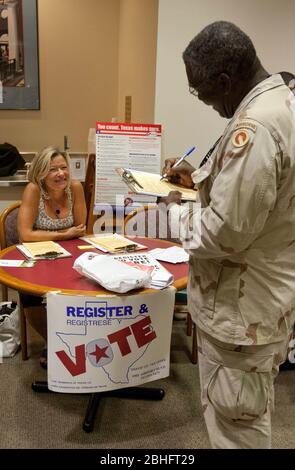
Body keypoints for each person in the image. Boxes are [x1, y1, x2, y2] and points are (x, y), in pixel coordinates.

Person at [161, 21, 295, 448]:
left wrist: (173, 211)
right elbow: (260, 197)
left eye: (201, 92)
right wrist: (198, 179)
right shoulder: (282, 102)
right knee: (243, 415)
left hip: (241, 310)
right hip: (263, 299)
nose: (203, 101)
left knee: (236, 431)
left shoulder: (254, 129)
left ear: (225, 80)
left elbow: (225, 232)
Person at [17, 146, 87, 368]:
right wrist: (63, 234)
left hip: (70, 254)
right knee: (29, 292)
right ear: (40, 173)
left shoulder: (75, 188)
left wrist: (67, 235)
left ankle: (77, 336)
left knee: (85, 283)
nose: (60, 174)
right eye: (53, 169)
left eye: (64, 168)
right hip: (39, 256)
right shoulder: (33, 190)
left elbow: (81, 227)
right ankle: (52, 342)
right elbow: (26, 235)